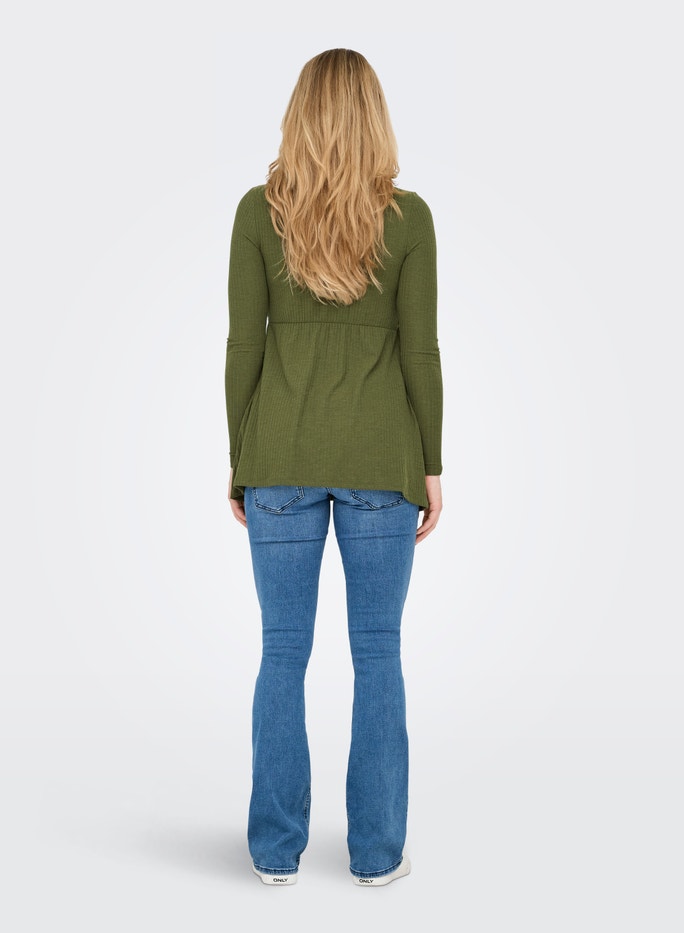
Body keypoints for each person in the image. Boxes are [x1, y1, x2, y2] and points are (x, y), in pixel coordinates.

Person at [225, 48, 443, 887]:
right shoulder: (409, 219)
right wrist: (431, 463)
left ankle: (275, 851)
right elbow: (420, 351)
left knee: (282, 652)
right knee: (378, 652)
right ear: (374, 118)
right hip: (382, 460)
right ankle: (377, 855)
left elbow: (244, 346)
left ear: (300, 116)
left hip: (278, 457)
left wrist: (239, 460)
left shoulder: (259, 213)